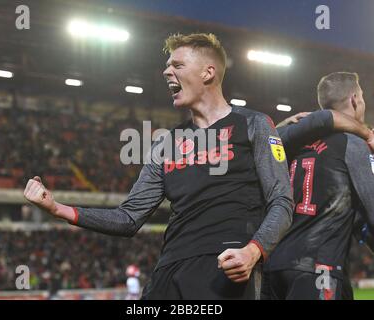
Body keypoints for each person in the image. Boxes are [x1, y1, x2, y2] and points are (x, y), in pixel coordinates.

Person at [24, 33, 294, 300]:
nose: (167, 72)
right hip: (168, 272)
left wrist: (253, 251)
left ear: (207, 73)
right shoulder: (166, 144)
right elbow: (128, 218)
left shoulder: (253, 124)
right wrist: (56, 208)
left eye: (177, 65)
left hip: (226, 267)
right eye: (167, 66)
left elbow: (281, 202)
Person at [260, 72, 374, 300]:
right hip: (319, 266)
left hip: (273, 267)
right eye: (361, 97)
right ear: (354, 100)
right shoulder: (354, 145)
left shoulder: (289, 144)